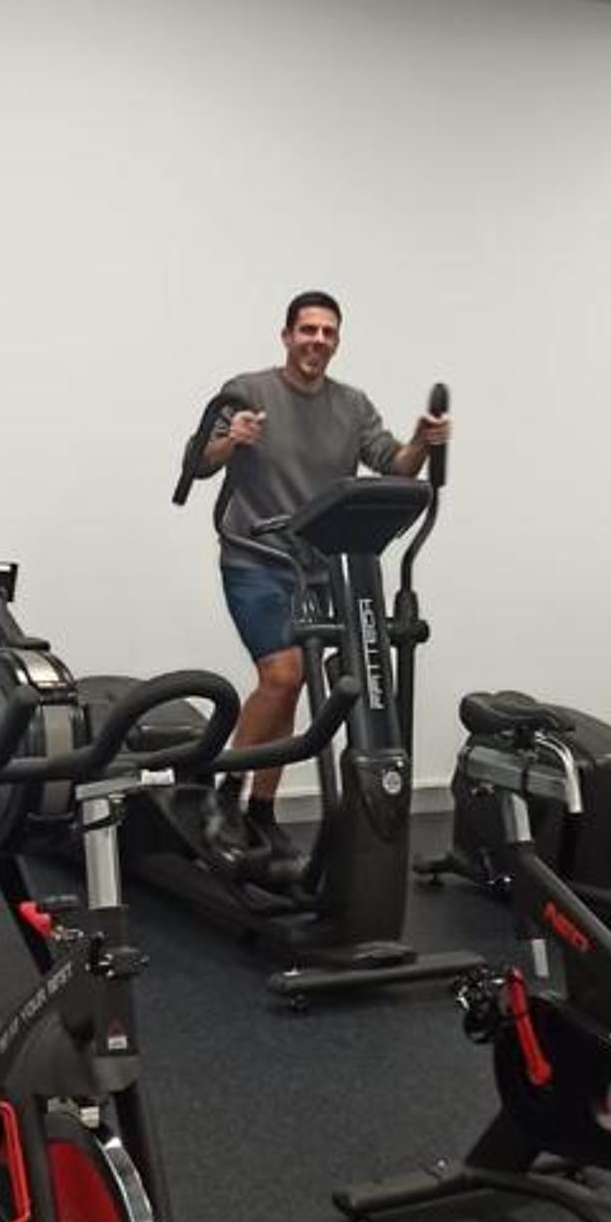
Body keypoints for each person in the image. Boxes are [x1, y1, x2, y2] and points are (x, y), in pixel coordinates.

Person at [194, 290, 449, 855]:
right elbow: (199, 463)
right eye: (307, 330)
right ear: (286, 336)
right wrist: (229, 440)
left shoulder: (353, 405)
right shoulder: (248, 391)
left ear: (337, 342)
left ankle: (261, 809)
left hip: (319, 567)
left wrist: (423, 444)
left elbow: (394, 464)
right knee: (283, 676)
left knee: (297, 683)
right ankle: (225, 790)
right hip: (256, 559)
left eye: (328, 332)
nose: (318, 341)